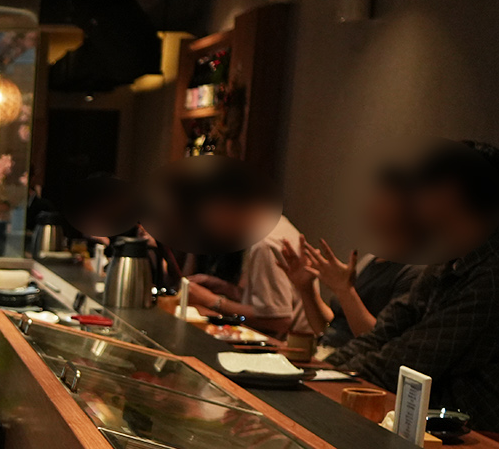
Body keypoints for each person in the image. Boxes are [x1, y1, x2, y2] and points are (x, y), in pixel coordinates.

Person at [327, 140, 499, 429]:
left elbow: (411, 358)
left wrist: (331, 379)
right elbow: (385, 332)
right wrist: (327, 371)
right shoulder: (448, 260)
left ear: (450, 194)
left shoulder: (491, 276)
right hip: (420, 421)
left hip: (474, 440)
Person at [276, 167, 425, 351]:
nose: (371, 206)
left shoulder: (415, 272)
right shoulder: (371, 260)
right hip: (329, 358)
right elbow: (330, 329)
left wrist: (345, 291)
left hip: (357, 371)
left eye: (384, 199)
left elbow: (381, 343)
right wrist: (306, 289)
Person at [170, 157, 310, 338]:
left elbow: (278, 320)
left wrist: (212, 300)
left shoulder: (264, 244)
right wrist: (226, 289)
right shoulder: (272, 224)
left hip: (286, 351)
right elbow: (267, 302)